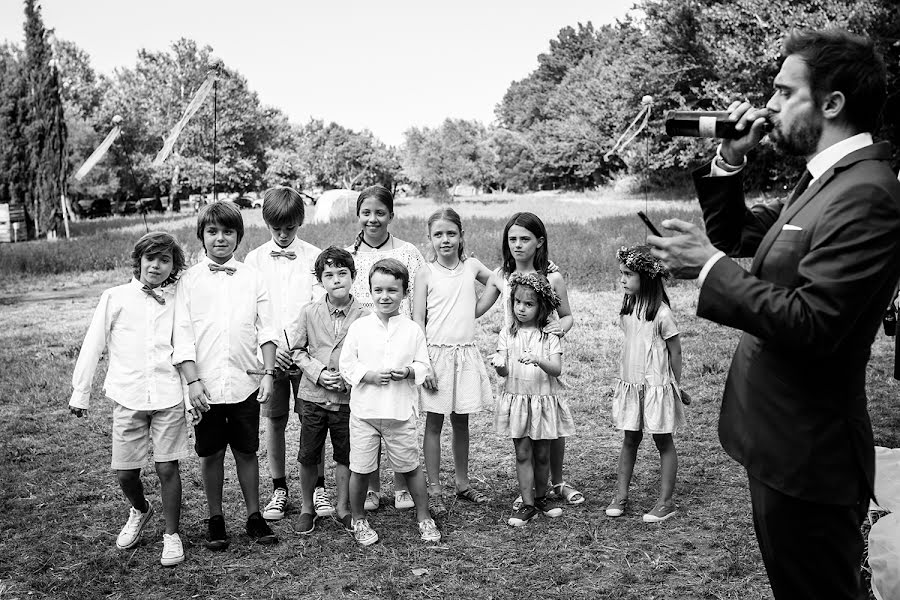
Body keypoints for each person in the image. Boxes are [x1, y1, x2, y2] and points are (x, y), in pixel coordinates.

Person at [647, 29, 900, 600]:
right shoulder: (824, 179)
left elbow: (816, 322)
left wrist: (710, 269)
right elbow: (738, 233)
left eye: (786, 94)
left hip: (810, 455)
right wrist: (730, 157)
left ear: (831, 104)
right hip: (778, 440)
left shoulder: (868, 192)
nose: (769, 106)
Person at [69, 232, 190, 567]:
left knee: (168, 466)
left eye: (165, 260)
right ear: (138, 260)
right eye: (151, 258)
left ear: (173, 266)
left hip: (167, 395)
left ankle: (171, 534)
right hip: (128, 396)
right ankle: (140, 508)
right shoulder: (115, 297)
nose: (156, 265)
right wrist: (81, 392)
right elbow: (93, 344)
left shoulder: (179, 298)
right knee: (125, 473)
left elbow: (186, 343)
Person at [173, 201, 280, 549]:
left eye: (228, 232)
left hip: (246, 382)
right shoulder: (188, 281)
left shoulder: (253, 277)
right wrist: (192, 381)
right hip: (206, 388)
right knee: (212, 453)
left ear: (239, 236)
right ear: (202, 236)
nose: (220, 238)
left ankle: (254, 516)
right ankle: (215, 517)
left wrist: (267, 373)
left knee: (247, 451)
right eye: (212, 232)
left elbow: (267, 330)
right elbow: (183, 336)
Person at [478, 212, 583, 509]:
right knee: (524, 433)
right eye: (512, 239)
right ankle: (531, 492)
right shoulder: (500, 275)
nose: (517, 245)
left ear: (539, 242)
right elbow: (478, 306)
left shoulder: (552, 277)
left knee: (548, 426)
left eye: (524, 239)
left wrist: (554, 333)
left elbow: (567, 316)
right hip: (513, 360)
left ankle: (552, 483)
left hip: (543, 359)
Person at [339, 258, 440, 546]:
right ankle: (358, 518)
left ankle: (424, 516)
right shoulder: (360, 328)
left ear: (405, 293)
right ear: (370, 291)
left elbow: (423, 364)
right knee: (361, 468)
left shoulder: (412, 330)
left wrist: (409, 371)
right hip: (365, 413)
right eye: (378, 290)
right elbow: (347, 364)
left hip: (399, 412)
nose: (385, 296)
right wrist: (367, 375)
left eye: (392, 291)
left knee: (410, 466)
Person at [244, 186, 325, 522]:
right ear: (266, 223)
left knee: (313, 420)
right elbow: (253, 310)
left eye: (289, 228)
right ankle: (279, 488)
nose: (282, 234)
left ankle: (318, 486)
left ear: (299, 223)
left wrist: (302, 349)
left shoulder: (314, 256)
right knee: (274, 422)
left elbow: (318, 306)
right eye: (276, 228)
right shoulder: (254, 260)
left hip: (306, 355)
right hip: (270, 356)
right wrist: (270, 350)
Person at [346, 185, 426, 511]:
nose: (373, 219)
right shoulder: (348, 255)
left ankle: (403, 486)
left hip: (401, 344)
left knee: (399, 418)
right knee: (370, 419)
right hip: (366, 344)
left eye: (380, 212)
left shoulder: (408, 252)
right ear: (358, 215)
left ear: (391, 215)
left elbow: (421, 296)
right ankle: (371, 488)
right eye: (367, 212)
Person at [413, 208, 495, 514]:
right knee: (434, 422)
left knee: (462, 422)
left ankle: (462, 483)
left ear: (461, 236)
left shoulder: (471, 266)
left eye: (451, 233)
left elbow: (498, 282)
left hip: (465, 355)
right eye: (438, 234)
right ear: (430, 239)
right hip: (436, 356)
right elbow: (417, 320)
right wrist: (424, 364)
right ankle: (434, 486)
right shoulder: (425, 272)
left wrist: (479, 305)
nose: (445, 240)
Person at [291, 247, 368, 535]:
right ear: (320, 280)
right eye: (329, 275)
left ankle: (343, 507)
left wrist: (348, 378)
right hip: (313, 397)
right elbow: (297, 350)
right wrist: (319, 373)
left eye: (342, 273)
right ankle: (307, 507)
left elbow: (367, 355)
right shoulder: (309, 312)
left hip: (348, 399)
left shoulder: (365, 315)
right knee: (309, 454)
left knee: (345, 454)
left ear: (353, 276)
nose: (336, 280)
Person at [605, 245, 684, 523]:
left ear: (647, 277)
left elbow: (675, 351)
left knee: (663, 441)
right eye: (621, 274)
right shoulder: (628, 307)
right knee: (630, 439)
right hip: (632, 385)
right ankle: (621, 495)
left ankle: (665, 501)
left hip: (655, 387)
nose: (623, 279)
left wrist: (676, 383)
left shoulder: (662, 313)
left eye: (628, 274)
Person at [491, 272, 575, 526]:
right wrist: (499, 365)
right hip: (518, 400)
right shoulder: (507, 333)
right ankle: (527, 504)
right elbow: (504, 370)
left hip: (543, 400)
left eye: (529, 304)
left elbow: (556, 369)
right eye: (517, 302)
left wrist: (538, 359)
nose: (521, 308)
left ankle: (541, 496)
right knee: (523, 452)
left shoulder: (549, 335)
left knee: (542, 454)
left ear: (541, 306)